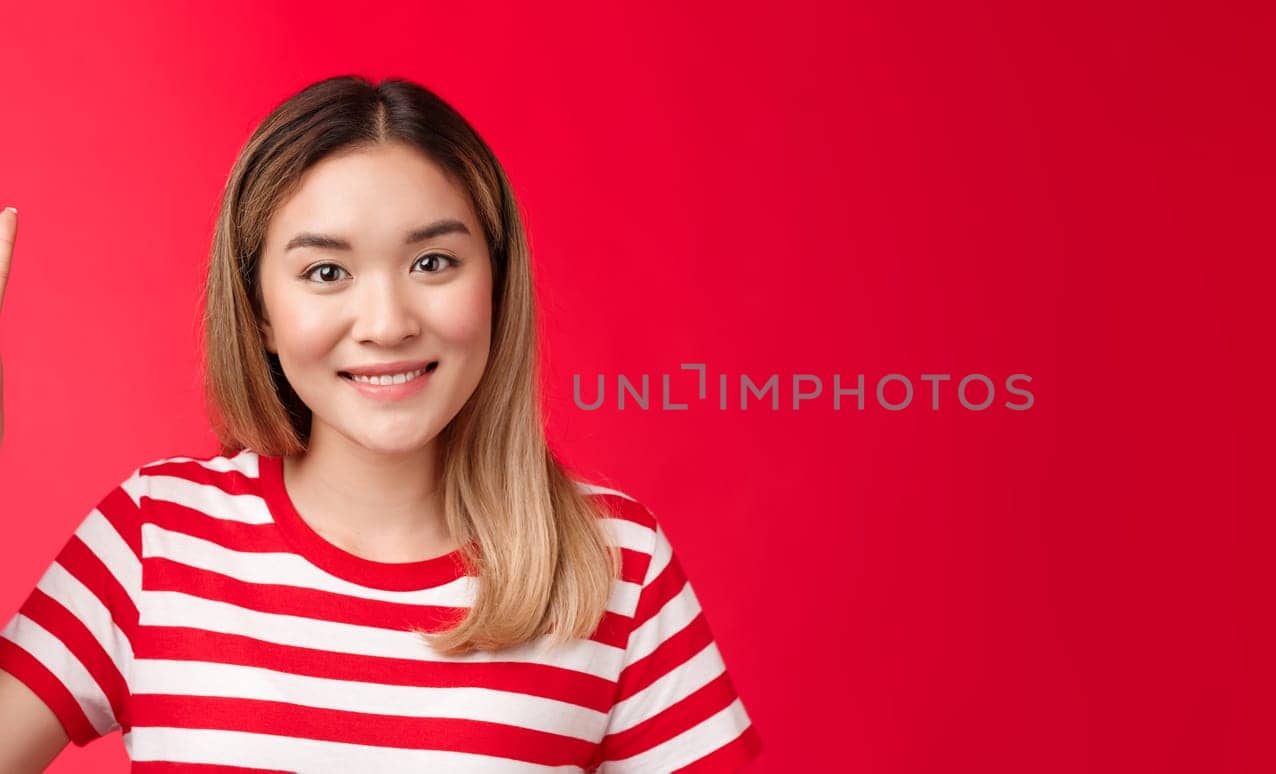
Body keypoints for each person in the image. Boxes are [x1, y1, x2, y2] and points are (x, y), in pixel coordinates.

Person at [0, 75, 762, 773]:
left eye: (433, 262)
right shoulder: (153, 539)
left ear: (496, 282)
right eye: (326, 273)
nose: (388, 324)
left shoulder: (616, 566)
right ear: (259, 310)